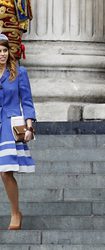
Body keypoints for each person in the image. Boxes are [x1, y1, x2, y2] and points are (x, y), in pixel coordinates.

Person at [0, 33, 36, 230]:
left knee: (6, 172)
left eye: (5, 50)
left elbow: (27, 102)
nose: (2, 54)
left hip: (9, 125)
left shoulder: (19, 73)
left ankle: (15, 213)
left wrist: (29, 126)